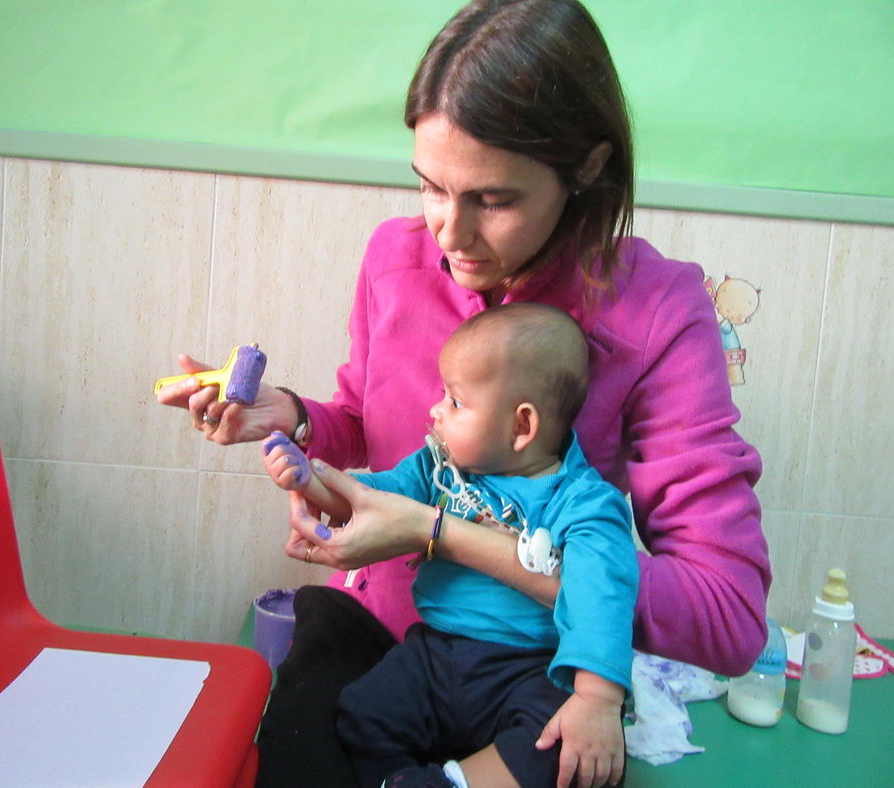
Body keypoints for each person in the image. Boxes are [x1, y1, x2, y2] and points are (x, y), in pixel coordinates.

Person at [157, 0, 769, 785]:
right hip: (380, 640)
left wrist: (438, 533)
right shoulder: (393, 259)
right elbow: (372, 431)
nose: (448, 234)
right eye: (431, 188)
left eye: (493, 199)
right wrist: (299, 421)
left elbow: (726, 615)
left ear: (585, 165)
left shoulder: (657, 311)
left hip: (533, 666)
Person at [262, 303, 638, 788]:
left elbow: (601, 598)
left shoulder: (584, 503)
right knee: (361, 712)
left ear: (521, 427)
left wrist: (597, 700)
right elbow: (371, 498)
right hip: (434, 656)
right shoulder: (438, 470)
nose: (436, 410)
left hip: (528, 670)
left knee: (562, 749)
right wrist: (309, 479)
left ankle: (453, 782)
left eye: (456, 402)